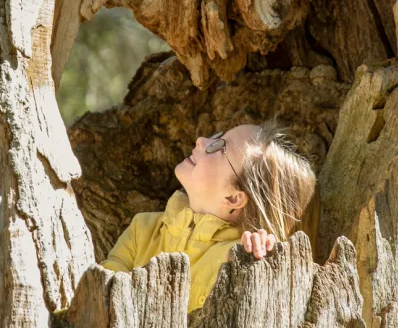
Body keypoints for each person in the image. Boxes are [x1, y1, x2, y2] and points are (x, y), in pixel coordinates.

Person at [101, 120, 318, 313]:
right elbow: (103, 294)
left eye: (219, 147)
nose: (201, 140)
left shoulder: (237, 260)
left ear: (234, 198)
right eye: (217, 136)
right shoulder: (142, 229)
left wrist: (266, 264)